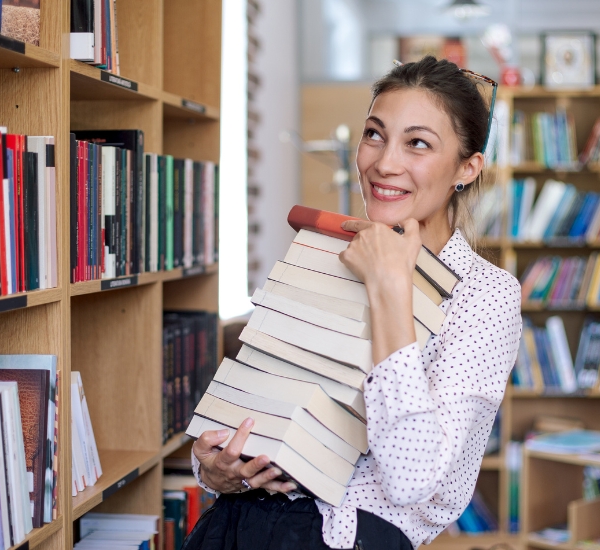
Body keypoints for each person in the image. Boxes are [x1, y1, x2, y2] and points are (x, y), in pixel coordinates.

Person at [186, 56, 522, 550]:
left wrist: (390, 287)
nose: (384, 163)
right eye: (374, 134)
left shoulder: (486, 295)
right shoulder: (326, 251)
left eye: (418, 143)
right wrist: (213, 468)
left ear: (467, 168)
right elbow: (248, 409)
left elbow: (410, 478)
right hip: (230, 529)